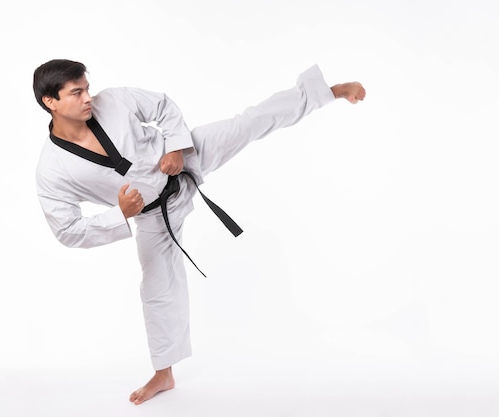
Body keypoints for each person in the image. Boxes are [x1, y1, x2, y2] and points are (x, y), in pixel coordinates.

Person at [33, 59, 366, 405]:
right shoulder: (52, 170)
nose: (88, 97)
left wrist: (176, 146)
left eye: (86, 88)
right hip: (152, 218)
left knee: (249, 123)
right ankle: (164, 374)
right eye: (77, 93)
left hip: (186, 160)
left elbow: (161, 106)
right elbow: (67, 230)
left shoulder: (113, 101)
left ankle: (325, 92)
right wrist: (120, 215)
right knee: (157, 290)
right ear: (50, 102)